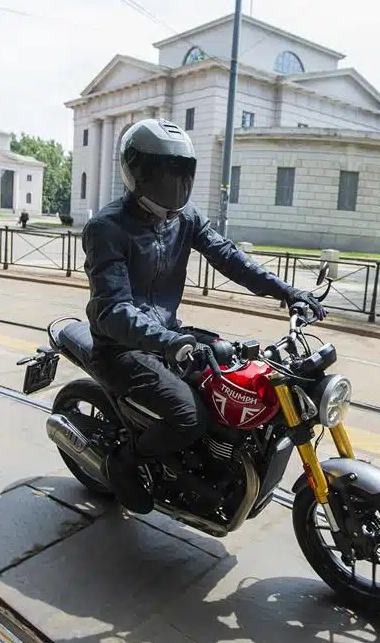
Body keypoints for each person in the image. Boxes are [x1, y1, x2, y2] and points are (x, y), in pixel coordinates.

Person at [82, 117, 326, 514]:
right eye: (164, 174)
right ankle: (123, 461)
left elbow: (230, 258)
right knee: (188, 416)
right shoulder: (107, 228)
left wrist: (288, 293)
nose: (174, 184)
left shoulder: (185, 217)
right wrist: (171, 341)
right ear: (137, 173)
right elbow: (113, 310)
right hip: (121, 349)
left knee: (240, 378)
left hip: (169, 337)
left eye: (181, 174)